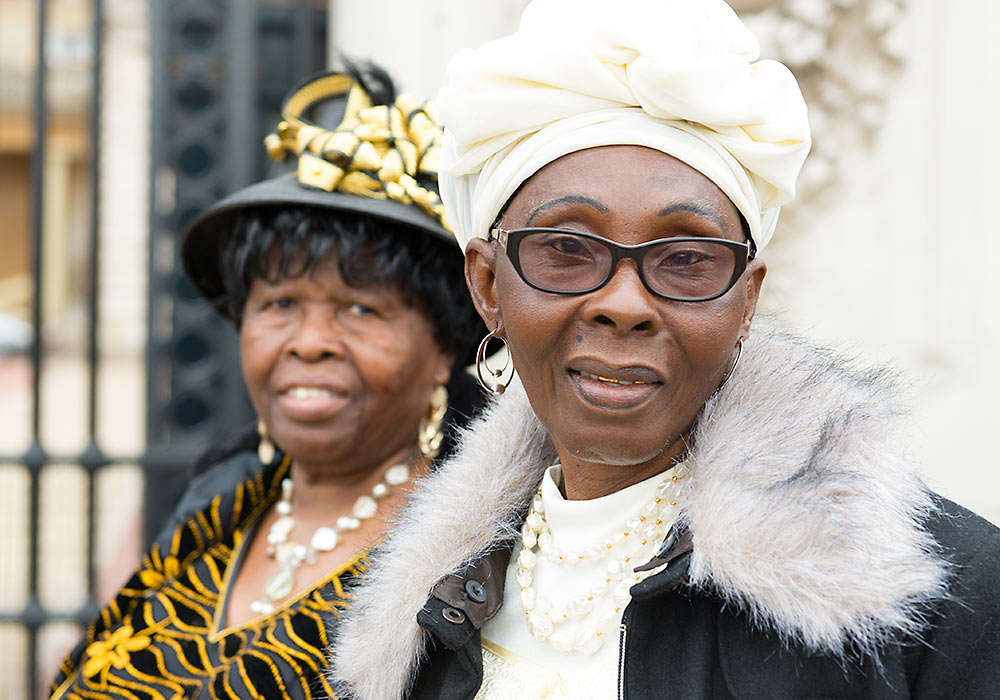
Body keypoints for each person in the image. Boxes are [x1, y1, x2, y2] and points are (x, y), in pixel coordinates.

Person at [327, 2, 1000, 698]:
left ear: (746, 299)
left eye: (685, 259)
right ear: (488, 284)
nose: (623, 304)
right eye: (565, 248)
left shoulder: (946, 605)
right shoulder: (413, 607)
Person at [49, 64, 484, 700]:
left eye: (360, 309)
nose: (307, 342)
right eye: (279, 304)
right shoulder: (215, 506)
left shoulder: (463, 565)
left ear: (444, 345)